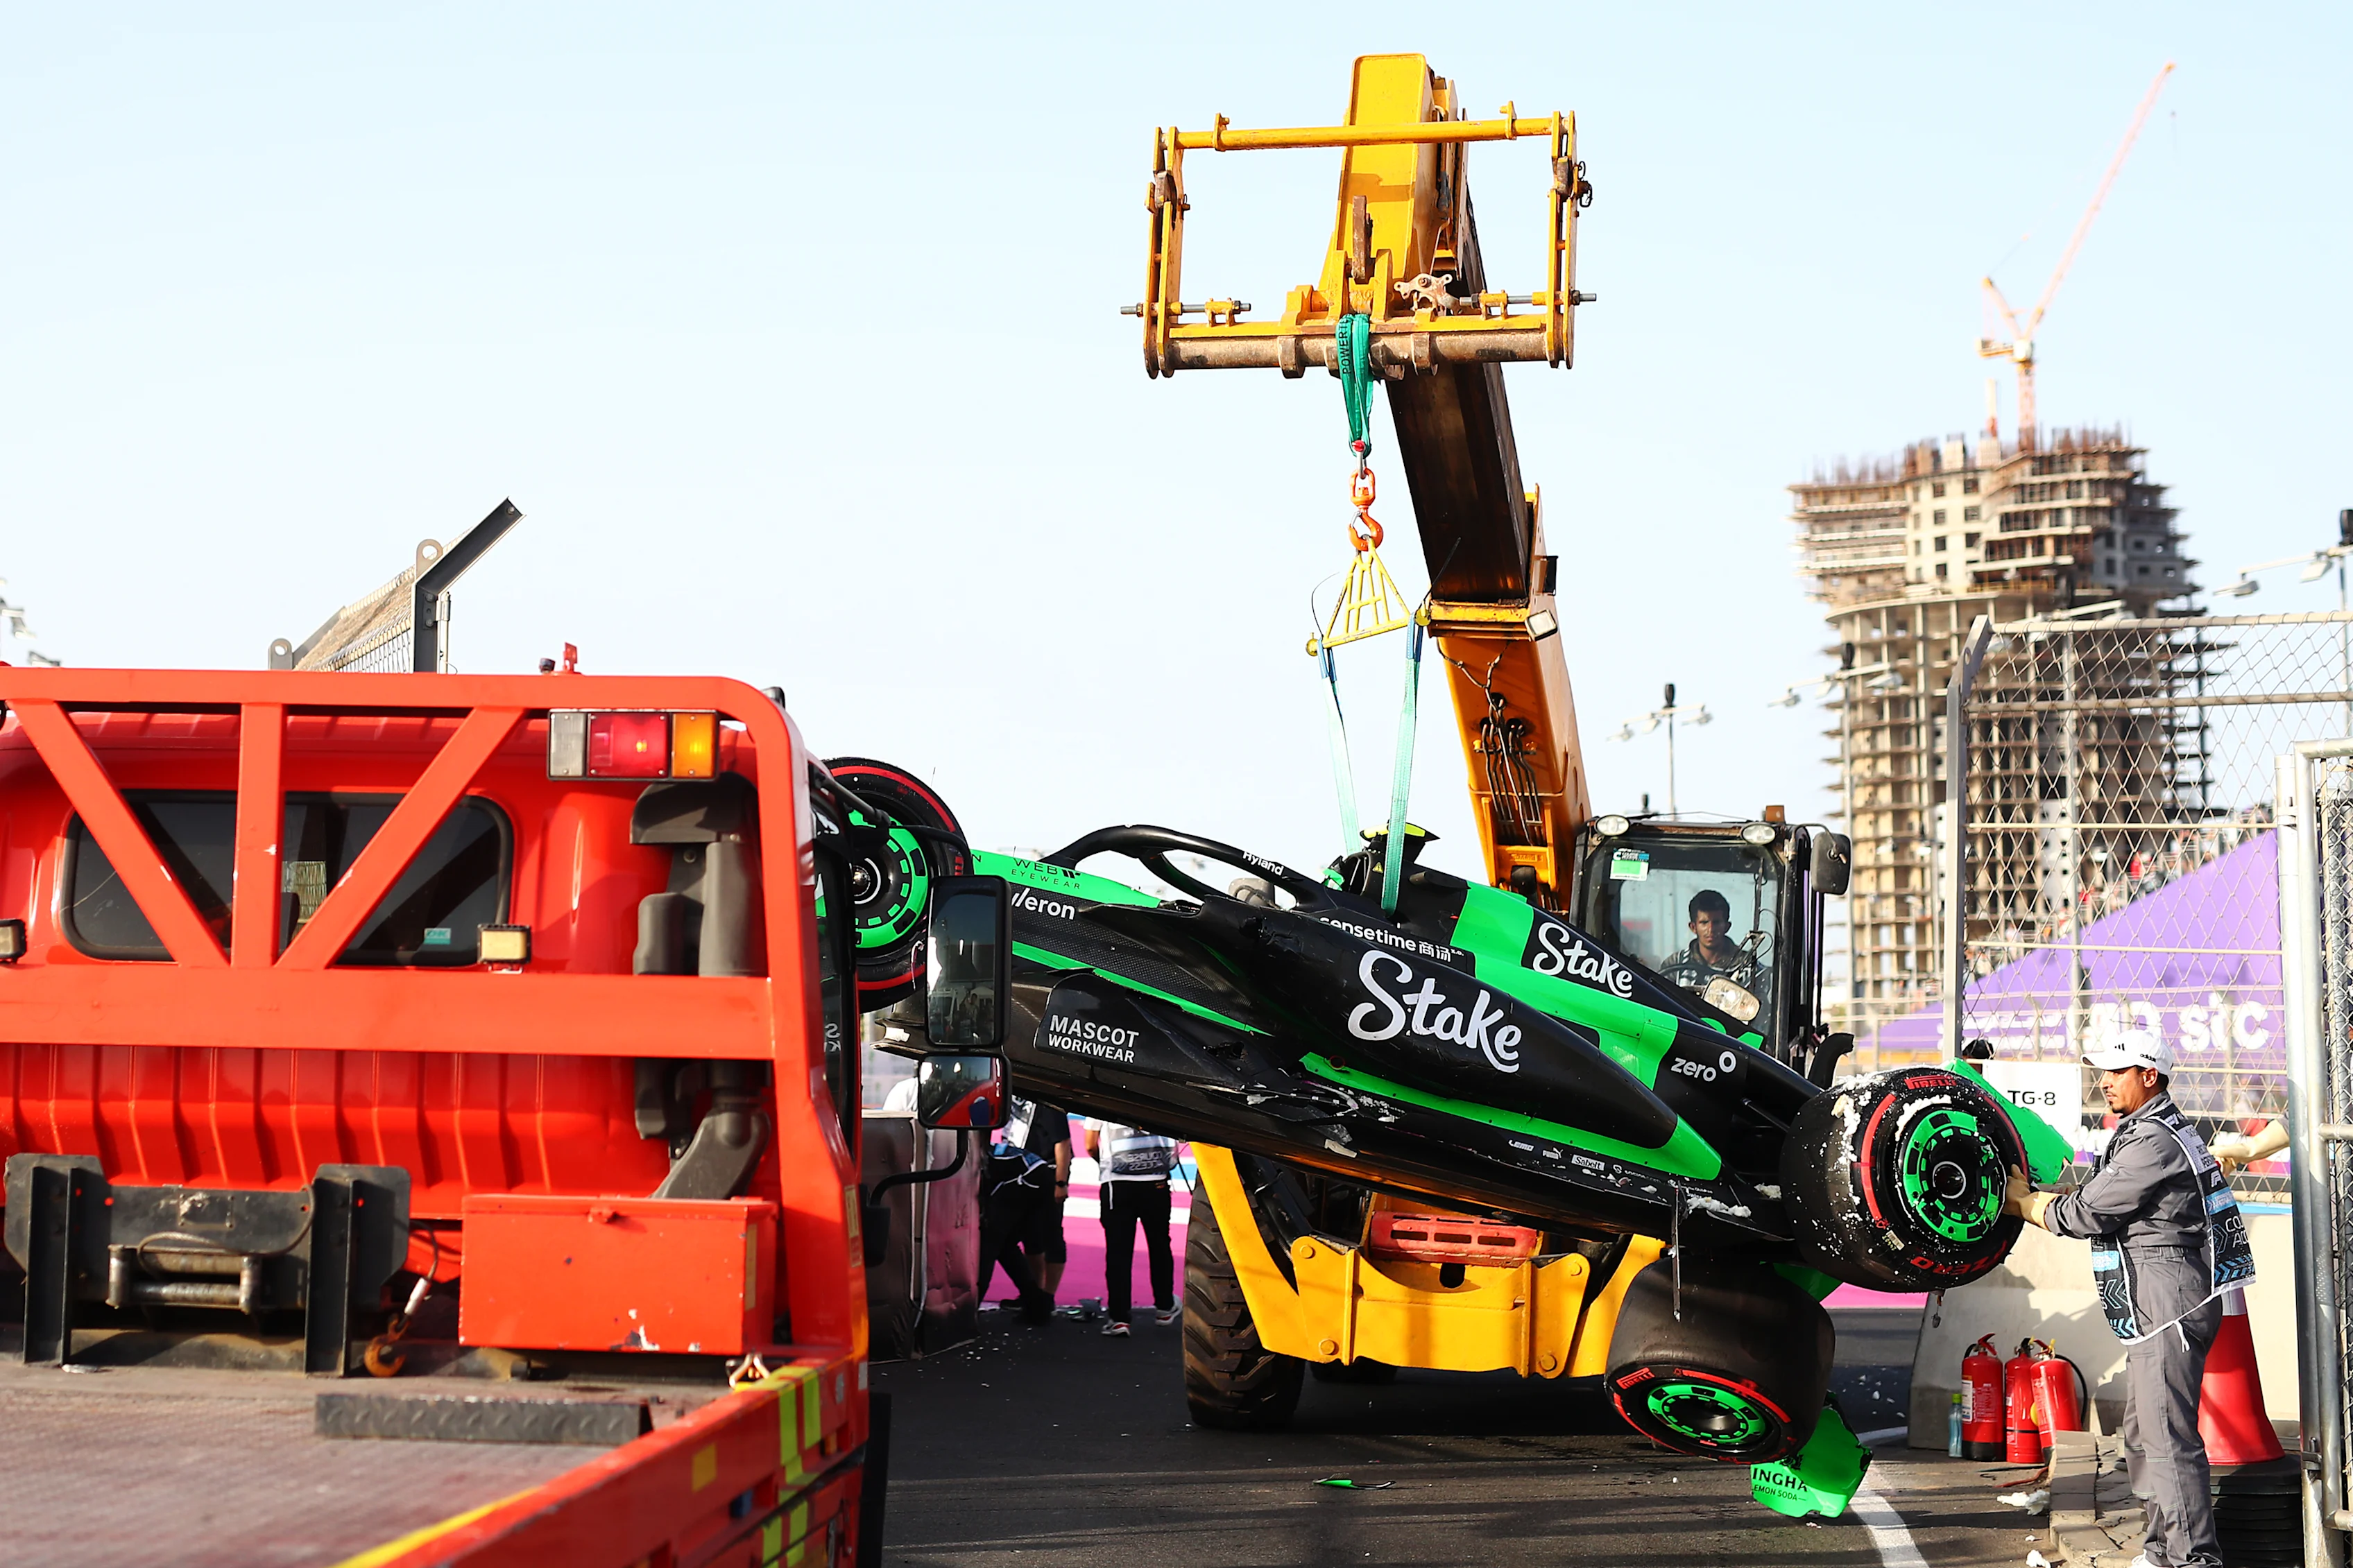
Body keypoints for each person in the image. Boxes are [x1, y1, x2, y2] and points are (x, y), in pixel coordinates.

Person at [2005, 1030, 2254, 1568]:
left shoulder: (2154, 1140)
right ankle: (2164, 1548)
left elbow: (2088, 1211)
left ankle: (2193, 1558)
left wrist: (2024, 1204)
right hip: (2161, 1303)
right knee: (2143, 1435)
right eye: (2104, 1070)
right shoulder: (2149, 1129)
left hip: (2170, 1303)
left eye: (2117, 1071)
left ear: (2150, 1075)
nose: (2106, 1080)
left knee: (2166, 1439)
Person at [1084, 1118, 1180, 1336]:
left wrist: (1109, 1164)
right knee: (1160, 1245)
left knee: (1118, 1252)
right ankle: (1165, 1307)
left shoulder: (1102, 1095)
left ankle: (1119, 1318)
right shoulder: (1159, 1093)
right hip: (1157, 1180)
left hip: (1117, 1184)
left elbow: (1090, 1144)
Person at [1659, 888, 1771, 1016]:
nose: (1711, 929)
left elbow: (1762, 1016)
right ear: (1693, 927)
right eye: (1704, 923)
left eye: (1716, 923)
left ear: (1727, 926)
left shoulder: (1751, 969)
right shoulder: (1674, 966)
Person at [1004, 1096, 1073, 1299]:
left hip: (1046, 1175)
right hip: (1017, 1174)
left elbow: (1063, 1142)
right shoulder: (1009, 1098)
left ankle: (1047, 1296)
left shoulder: (1047, 1102)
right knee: (1026, 1238)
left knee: (1051, 1237)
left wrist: (1061, 1182)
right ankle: (1033, 1292)